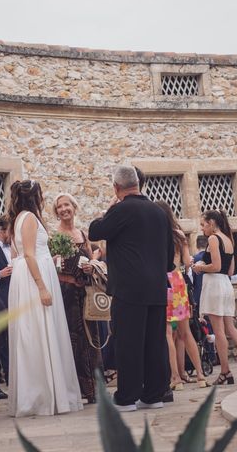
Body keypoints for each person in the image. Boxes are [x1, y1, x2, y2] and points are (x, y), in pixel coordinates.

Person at [89, 165, 171, 412]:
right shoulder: (159, 212)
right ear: (138, 183)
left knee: (129, 342)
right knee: (155, 342)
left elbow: (95, 231)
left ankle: (127, 397)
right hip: (157, 288)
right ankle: (154, 395)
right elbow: (169, 258)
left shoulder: (121, 209)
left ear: (116, 187)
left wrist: (110, 208)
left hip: (129, 288)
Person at [7, 180, 83, 417]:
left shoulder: (18, 218)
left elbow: (15, 254)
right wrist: (41, 287)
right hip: (33, 278)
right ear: (35, 197)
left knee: (34, 334)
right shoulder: (28, 217)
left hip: (29, 274)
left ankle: (40, 392)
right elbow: (28, 254)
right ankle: (43, 395)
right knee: (39, 332)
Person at [192, 210, 237, 384]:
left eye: (203, 224)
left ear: (212, 223)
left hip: (214, 284)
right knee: (230, 328)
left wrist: (200, 267)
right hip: (225, 284)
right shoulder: (229, 239)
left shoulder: (214, 239)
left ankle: (225, 371)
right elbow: (230, 271)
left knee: (219, 330)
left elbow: (215, 266)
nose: (202, 228)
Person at [54, 192, 102, 404]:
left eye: (66, 205)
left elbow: (93, 260)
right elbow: (50, 267)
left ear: (74, 207)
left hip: (86, 292)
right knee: (74, 339)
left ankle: (96, 389)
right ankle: (78, 389)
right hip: (66, 293)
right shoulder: (54, 235)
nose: (63, 209)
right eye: (59, 207)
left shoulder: (82, 233)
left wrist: (91, 266)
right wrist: (58, 261)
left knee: (92, 340)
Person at [156, 201, 210, 390]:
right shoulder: (179, 235)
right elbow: (188, 261)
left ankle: (176, 378)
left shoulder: (154, 234)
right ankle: (201, 376)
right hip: (178, 281)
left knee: (167, 333)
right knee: (186, 333)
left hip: (161, 281)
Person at [0, 215, 12, 386]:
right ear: (1, 230)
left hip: (14, 296)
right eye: (10, 230)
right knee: (2, 340)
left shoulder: (13, 246)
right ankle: (7, 376)